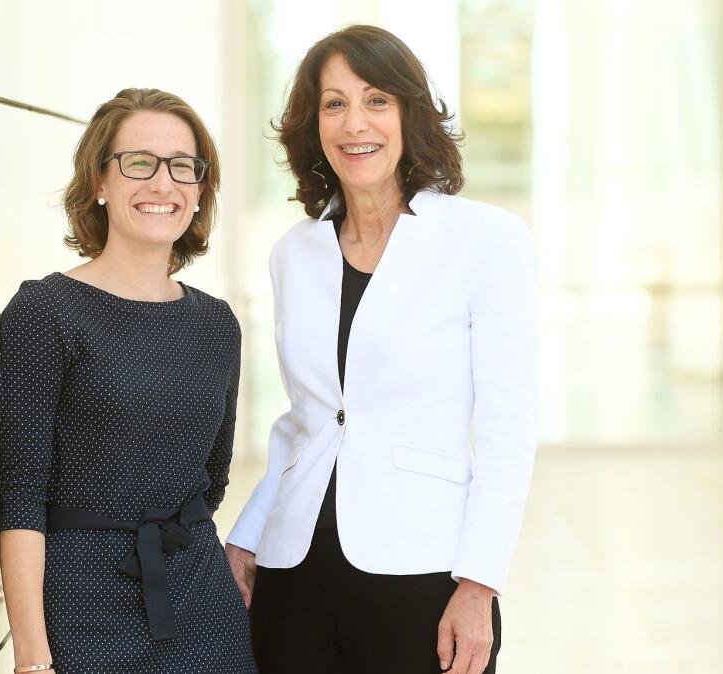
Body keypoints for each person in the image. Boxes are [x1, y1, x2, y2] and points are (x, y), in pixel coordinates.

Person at [225, 25, 537, 674]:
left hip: (422, 571)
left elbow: (508, 432)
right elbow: (305, 423)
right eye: (333, 104)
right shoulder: (294, 253)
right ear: (312, 127)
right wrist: (249, 536)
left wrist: (480, 584)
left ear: (409, 114)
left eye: (375, 100)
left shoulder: (486, 240)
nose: (353, 123)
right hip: (297, 573)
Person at [0, 88, 255, 674]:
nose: (162, 183)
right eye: (139, 162)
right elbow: (21, 501)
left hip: (205, 610)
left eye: (182, 166)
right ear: (99, 181)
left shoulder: (217, 324)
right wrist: (32, 656)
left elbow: (209, 482)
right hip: (81, 610)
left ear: (199, 191)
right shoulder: (44, 312)